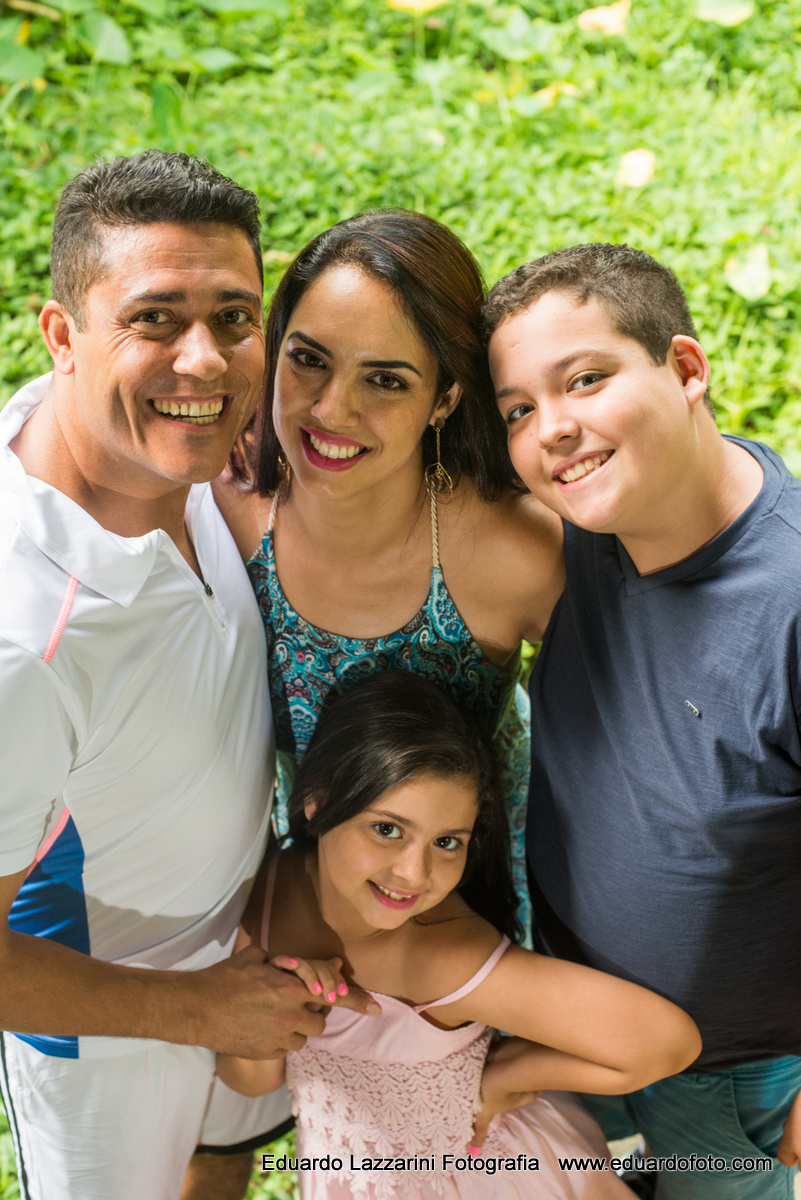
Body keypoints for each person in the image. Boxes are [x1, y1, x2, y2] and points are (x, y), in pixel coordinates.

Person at [0, 149, 375, 1200]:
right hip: (109, 1019)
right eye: (156, 320)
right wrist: (201, 1009)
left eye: (235, 317)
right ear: (62, 337)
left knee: (226, 1158)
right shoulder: (24, 640)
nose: (206, 363)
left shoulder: (192, 455)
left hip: (250, 934)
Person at [484, 242, 801, 1200]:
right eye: (519, 410)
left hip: (727, 1067)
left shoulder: (785, 599)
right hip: (573, 1014)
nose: (554, 429)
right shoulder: (575, 532)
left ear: (687, 369)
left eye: (585, 379)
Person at [217, 671, 701, 1199]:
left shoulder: (439, 953)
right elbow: (249, 1081)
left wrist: (506, 1076)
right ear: (317, 799)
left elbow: (666, 1043)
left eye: (447, 841)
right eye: (387, 829)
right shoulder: (267, 891)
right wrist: (276, 1007)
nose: (414, 873)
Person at [214, 208, 564, 936]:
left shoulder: (509, 553)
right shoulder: (221, 509)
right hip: (292, 877)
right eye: (308, 359)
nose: (332, 408)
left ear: (444, 399)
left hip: (474, 885)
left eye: (385, 380)